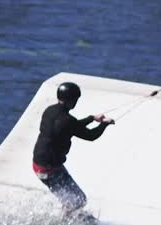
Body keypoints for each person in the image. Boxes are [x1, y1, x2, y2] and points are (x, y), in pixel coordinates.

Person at [32, 81, 114, 217]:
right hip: (50, 170)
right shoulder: (68, 121)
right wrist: (104, 124)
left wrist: (92, 118)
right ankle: (63, 224)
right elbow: (91, 135)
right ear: (72, 100)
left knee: (70, 200)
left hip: (38, 164)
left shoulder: (49, 111)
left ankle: (67, 217)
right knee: (79, 200)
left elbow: (70, 127)